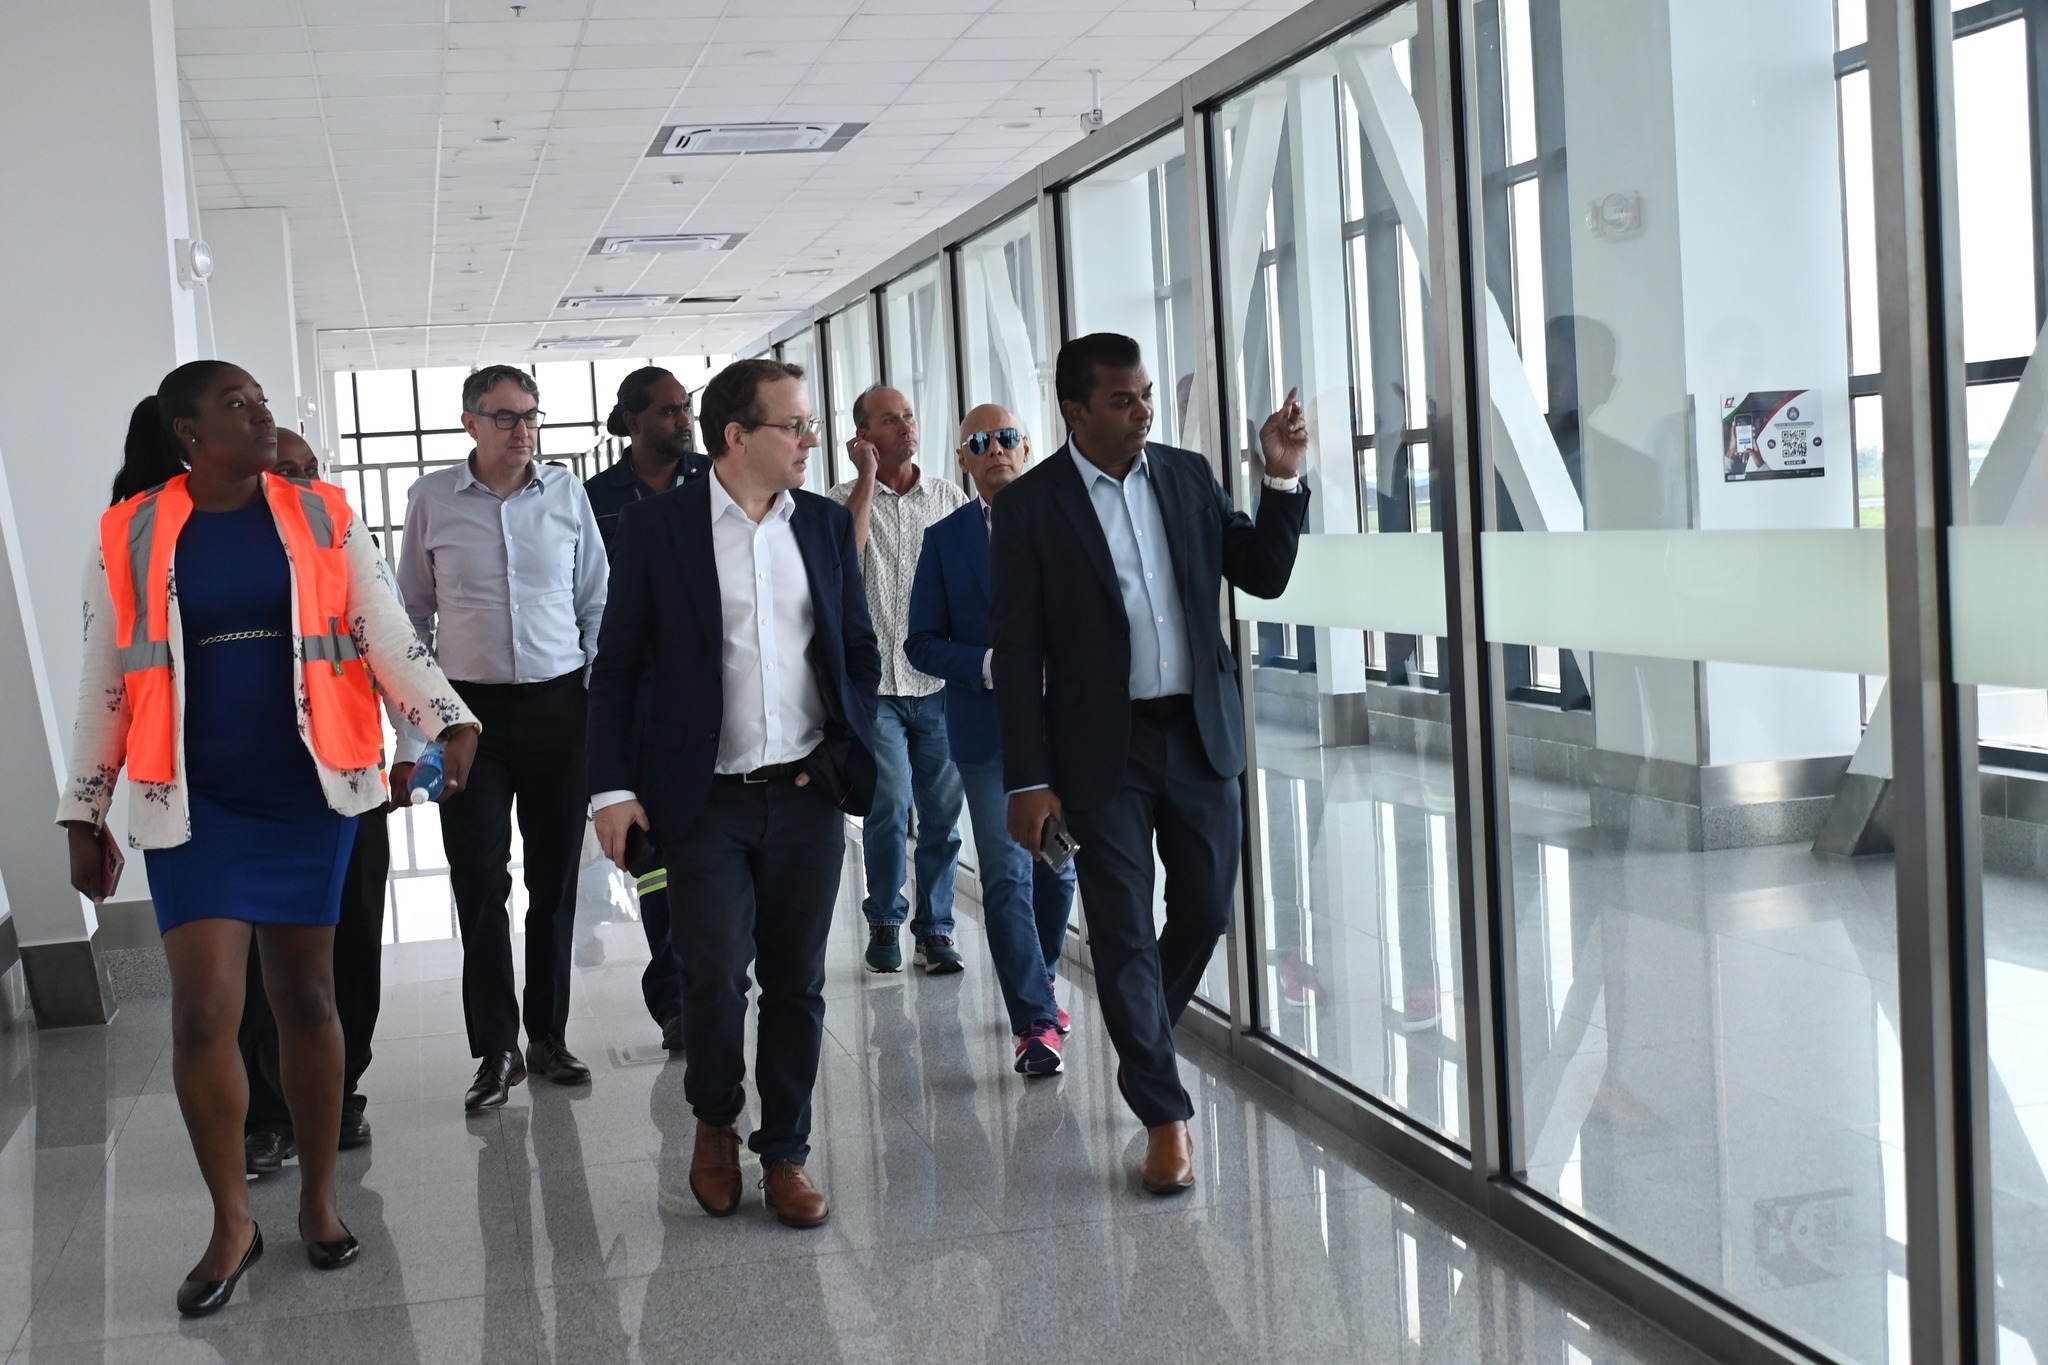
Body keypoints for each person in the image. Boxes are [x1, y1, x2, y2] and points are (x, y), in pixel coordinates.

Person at [57, 362, 480, 1315]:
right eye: (236, 404)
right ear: (188, 433)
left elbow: (383, 631)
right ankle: (231, 1222)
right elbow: (104, 679)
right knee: (203, 1010)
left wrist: (446, 718)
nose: (261, 415)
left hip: (307, 791)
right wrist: (84, 808)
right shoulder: (129, 532)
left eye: (261, 401)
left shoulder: (322, 515)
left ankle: (320, 1201)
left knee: (308, 997)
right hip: (192, 802)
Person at [994, 333, 1309, 1195]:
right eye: (1123, 399)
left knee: (1205, 907)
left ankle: (1143, 1048)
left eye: (1145, 395)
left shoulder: (1187, 474)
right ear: (1075, 410)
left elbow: (1262, 574)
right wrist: (1028, 778)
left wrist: (1281, 478)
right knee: (1124, 928)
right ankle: (1166, 1117)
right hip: (1103, 748)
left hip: (1200, 732)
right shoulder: (1030, 508)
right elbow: (1016, 653)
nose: (1143, 411)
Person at [589, 357, 878, 1230]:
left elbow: (855, 650)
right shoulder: (659, 528)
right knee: (712, 976)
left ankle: (785, 1149)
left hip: (806, 794)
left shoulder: (822, 524)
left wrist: (841, 754)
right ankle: (716, 1121)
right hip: (702, 797)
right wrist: (612, 789)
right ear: (737, 436)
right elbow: (618, 666)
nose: (810, 439)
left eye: (808, 422)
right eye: (794, 425)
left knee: (797, 981)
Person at [397, 364, 609, 1112]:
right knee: (480, 882)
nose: (523, 430)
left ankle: (547, 1035)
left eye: (530, 416)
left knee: (556, 881)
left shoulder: (566, 493)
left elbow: (597, 602)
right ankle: (496, 1048)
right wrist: (420, 733)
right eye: (506, 417)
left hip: (559, 708)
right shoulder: (432, 499)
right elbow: (410, 617)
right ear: (470, 423)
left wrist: (595, 703)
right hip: (468, 720)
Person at [238, 432, 415, 1168]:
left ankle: (341, 1093)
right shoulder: (224, 556)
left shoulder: (347, 539)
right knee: (261, 958)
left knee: (353, 943)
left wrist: (411, 747)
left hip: (349, 778)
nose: (305, 482)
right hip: (251, 788)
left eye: (311, 469)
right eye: (288, 471)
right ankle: (268, 1113)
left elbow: (396, 643)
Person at [905, 405, 1077, 1076]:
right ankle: (1034, 1022)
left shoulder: (1066, 520)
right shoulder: (944, 540)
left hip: (1063, 728)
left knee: (1059, 865)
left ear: (1026, 447)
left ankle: (1040, 976)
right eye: (980, 442)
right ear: (963, 460)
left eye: (1007, 437)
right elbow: (920, 642)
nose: (995, 448)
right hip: (987, 731)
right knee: (1005, 874)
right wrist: (987, 664)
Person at [582, 366, 709, 1052]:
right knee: (654, 857)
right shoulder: (596, 499)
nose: (682, 420)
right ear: (632, 421)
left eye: (685, 408)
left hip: (711, 697)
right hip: (637, 700)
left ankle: (714, 984)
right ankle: (675, 998)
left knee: (711, 856)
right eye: (667, 411)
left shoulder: (714, 479)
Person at [828, 385, 969, 975]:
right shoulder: (841, 500)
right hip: (876, 689)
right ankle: (885, 918)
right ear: (864, 436)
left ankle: (936, 930)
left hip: (938, 684)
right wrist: (866, 478)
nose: (907, 427)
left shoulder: (949, 498)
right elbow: (846, 556)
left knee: (941, 815)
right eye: (890, 421)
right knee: (887, 805)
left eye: (909, 416)